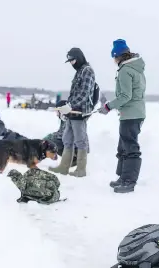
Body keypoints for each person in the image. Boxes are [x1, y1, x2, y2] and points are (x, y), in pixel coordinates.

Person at [98, 39, 146, 193]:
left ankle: (129, 182)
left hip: (131, 114)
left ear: (117, 56)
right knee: (123, 146)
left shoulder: (125, 70)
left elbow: (125, 96)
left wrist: (108, 106)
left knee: (130, 147)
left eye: (114, 57)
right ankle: (122, 178)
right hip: (134, 113)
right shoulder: (136, 69)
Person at [49, 47, 96, 177]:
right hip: (72, 111)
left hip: (80, 112)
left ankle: (81, 169)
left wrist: (70, 105)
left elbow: (84, 94)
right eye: (70, 61)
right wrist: (67, 106)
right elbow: (75, 93)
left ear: (79, 58)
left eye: (73, 60)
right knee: (67, 139)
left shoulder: (87, 71)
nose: (71, 63)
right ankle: (64, 167)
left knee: (80, 141)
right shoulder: (79, 71)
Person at [43, 100, 78, 167]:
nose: (56, 114)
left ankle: (73, 159)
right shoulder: (64, 119)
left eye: (57, 111)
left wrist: (49, 139)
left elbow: (64, 135)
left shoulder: (70, 119)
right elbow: (60, 132)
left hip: (75, 147)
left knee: (52, 142)